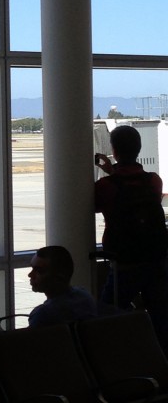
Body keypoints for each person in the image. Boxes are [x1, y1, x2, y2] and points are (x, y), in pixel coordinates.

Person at [95, 124, 168, 351]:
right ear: (138, 149)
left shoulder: (106, 186)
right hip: (155, 260)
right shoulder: (154, 181)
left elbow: (100, 203)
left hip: (125, 263)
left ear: (114, 151)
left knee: (107, 315)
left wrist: (111, 173)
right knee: (160, 318)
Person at [28, 245, 98, 327]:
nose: (30, 275)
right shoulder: (85, 297)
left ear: (59, 276)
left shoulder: (43, 314)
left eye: (39, 271)